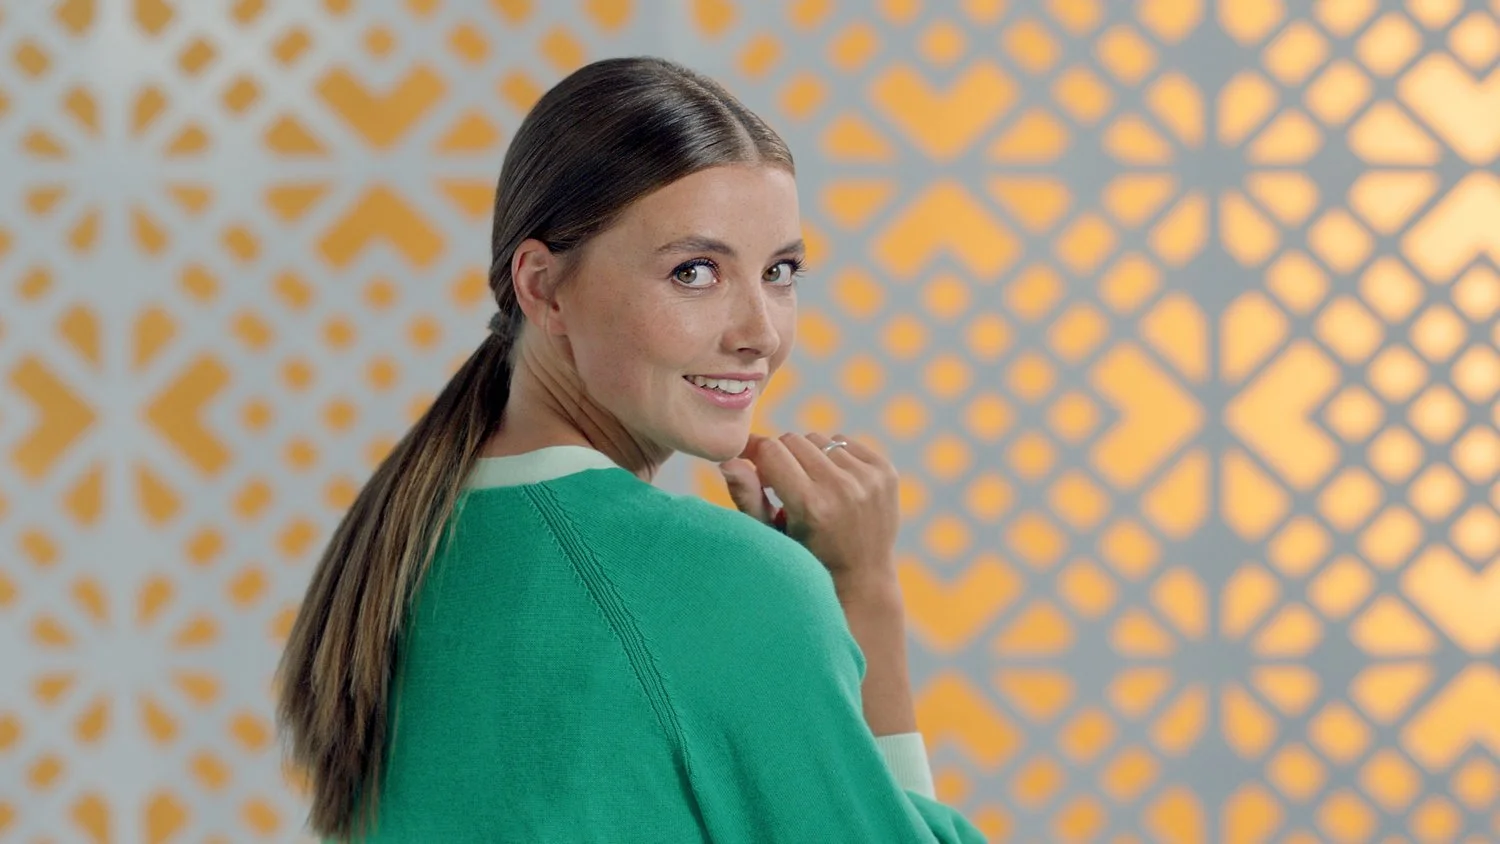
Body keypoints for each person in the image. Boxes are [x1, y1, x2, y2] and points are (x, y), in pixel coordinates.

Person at [275, 56, 988, 843]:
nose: (760, 332)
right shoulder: (728, 585)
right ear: (543, 288)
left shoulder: (401, 554)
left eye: (780, 271)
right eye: (695, 272)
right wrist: (864, 589)